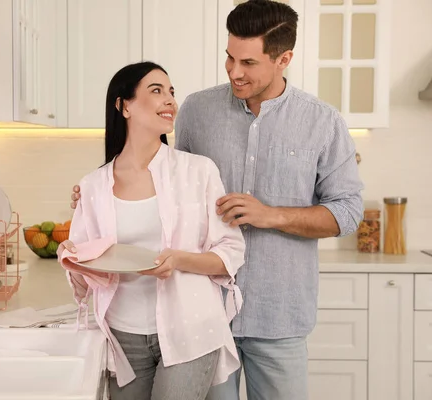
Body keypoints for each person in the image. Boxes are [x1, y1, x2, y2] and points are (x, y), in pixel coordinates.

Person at [71, 1, 364, 399]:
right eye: (229, 57)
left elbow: (347, 213)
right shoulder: (197, 109)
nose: (234, 71)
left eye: (248, 62)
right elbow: (167, 179)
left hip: (277, 314)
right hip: (198, 316)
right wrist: (100, 193)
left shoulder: (322, 121)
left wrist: (270, 215)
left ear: (284, 59)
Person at [57, 61, 247, 400]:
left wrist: (179, 261)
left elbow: (230, 251)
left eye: (171, 92)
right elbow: (86, 279)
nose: (170, 100)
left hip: (190, 327)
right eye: (156, 90)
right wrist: (73, 258)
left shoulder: (198, 171)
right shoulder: (93, 186)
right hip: (122, 334)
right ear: (124, 105)